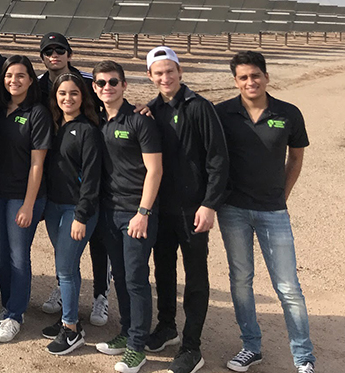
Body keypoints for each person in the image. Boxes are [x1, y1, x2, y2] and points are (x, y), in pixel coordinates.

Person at [215, 51, 316, 373]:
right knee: (241, 280)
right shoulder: (223, 113)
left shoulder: (288, 114)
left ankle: (303, 358)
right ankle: (251, 346)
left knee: (288, 288)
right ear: (235, 81)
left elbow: (296, 158)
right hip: (232, 211)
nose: (250, 82)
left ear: (266, 77)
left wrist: (281, 196)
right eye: (243, 77)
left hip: (273, 211)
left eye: (255, 75)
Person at [144, 46, 230, 373]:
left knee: (195, 276)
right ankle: (167, 326)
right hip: (161, 209)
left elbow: (218, 159)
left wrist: (210, 204)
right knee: (163, 270)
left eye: (170, 71)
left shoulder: (199, 108)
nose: (165, 77)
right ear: (151, 77)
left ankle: (191, 346)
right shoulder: (150, 110)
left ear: (180, 73)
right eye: (158, 73)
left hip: (194, 210)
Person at [92, 60, 163, 373]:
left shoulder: (139, 121)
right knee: (119, 275)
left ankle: (137, 346)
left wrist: (143, 212)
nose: (107, 87)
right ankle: (126, 331)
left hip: (136, 212)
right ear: (94, 88)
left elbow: (155, 169)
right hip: (109, 211)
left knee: (136, 279)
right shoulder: (98, 121)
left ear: (123, 86)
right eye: (101, 83)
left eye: (113, 82)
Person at [36, 32, 111, 326]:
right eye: (48, 51)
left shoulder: (87, 84)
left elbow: (113, 99)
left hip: (81, 202)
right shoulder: (41, 90)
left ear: (69, 53)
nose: (54, 55)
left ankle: (98, 299)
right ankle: (67, 298)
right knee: (66, 260)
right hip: (56, 199)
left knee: (93, 248)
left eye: (60, 50)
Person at [0, 55, 52, 343]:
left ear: (30, 79)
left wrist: (29, 204)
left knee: (18, 257)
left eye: (20, 75)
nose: (14, 80)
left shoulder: (37, 112)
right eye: (9, 75)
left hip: (22, 196)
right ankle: (9, 305)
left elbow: (38, 163)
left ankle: (14, 314)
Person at [41, 72, 102, 354]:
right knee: (69, 266)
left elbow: (92, 178)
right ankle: (72, 318)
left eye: (74, 93)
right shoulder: (52, 126)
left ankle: (71, 329)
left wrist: (81, 214)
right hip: (53, 207)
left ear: (83, 97)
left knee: (65, 268)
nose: (68, 98)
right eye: (62, 93)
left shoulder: (88, 130)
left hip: (76, 210)